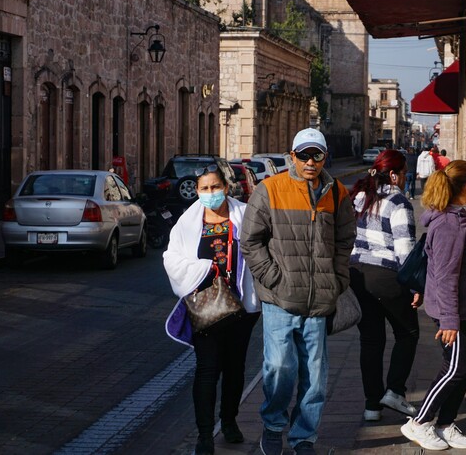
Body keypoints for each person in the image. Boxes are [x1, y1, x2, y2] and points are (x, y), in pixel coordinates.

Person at [240, 128, 356, 455]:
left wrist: (337, 279)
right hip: (279, 300)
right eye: (303, 155)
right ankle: (274, 425)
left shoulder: (337, 194)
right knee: (279, 367)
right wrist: (274, 278)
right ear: (292, 156)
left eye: (316, 155)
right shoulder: (269, 190)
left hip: (319, 301)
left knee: (315, 378)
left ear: (324, 157)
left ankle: (303, 436)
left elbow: (346, 240)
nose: (310, 161)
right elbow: (250, 242)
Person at [163, 165, 261, 455]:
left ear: (226, 187)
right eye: (204, 189)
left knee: (235, 368)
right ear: (197, 191)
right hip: (206, 306)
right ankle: (204, 434)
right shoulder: (188, 222)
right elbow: (172, 259)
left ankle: (229, 422)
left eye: (215, 187)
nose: (210, 193)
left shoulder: (245, 214)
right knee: (207, 369)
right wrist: (203, 269)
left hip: (243, 306)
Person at [400, 160, 466, 451]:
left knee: (463, 369)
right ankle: (419, 422)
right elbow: (447, 274)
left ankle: (445, 424)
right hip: (456, 310)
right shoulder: (451, 224)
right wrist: (450, 320)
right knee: (453, 369)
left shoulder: (463, 217)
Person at [349, 149, 422, 422]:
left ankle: (372, 406)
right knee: (408, 333)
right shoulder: (399, 202)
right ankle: (394, 390)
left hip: (357, 273)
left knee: (370, 340)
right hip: (386, 275)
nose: (404, 178)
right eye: (403, 173)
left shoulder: (359, 197)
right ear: (393, 174)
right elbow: (405, 250)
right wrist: (416, 286)